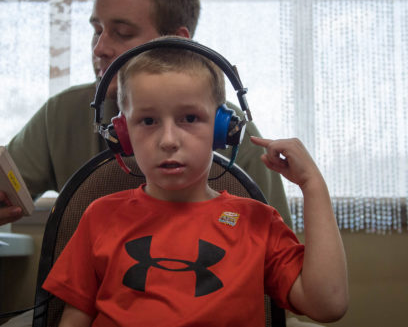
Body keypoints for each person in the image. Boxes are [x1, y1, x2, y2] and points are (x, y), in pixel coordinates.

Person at [0, 0, 293, 235]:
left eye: (122, 33)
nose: (99, 47)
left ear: (177, 42)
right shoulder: (63, 113)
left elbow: (279, 268)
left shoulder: (230, 130)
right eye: (96, 31)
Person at [42, 40, 348, 326]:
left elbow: (328, 304)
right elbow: (75, 317)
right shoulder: (100, 217)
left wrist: (313, 186)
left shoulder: (257, 223)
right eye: (148, 121)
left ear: (223, 129)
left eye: (189, 118)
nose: (168, 140)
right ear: (122, 134)